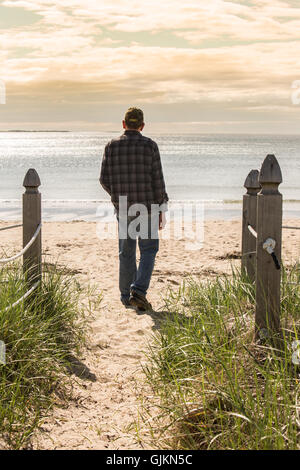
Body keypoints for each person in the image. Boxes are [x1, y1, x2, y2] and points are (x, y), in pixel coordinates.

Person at [99, 107, 168, 311]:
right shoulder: (150, 146)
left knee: (126, 251)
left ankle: (125, 294)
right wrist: (162, 206)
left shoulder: (111, 146)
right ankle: (138, 290)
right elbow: (158, 180)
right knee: (148, 249)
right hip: (147, 207)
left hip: (123, 208)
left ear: (123, 124)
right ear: (142, 126)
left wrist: (116, 198)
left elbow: (104, 179)